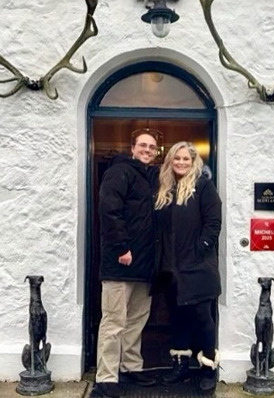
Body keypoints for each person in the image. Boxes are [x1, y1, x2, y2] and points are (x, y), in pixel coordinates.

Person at [91, 130, 159, 398]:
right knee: (114, 321)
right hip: (120, 262)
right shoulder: (119, 172)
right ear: (132, 148)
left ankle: (131, 367)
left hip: (144, 265)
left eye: (152, 147)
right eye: (143, 145)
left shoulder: (150, 177)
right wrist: (121, 247)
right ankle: (106, 377)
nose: (147, 150)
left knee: (136, 321)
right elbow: (109, 210)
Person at [154, 141, 222, 393]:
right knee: (178, 318)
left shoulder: (203, 186)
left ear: (194, 162)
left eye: (186, 159)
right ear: (170, 161)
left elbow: (213, 223)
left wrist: (199, 249)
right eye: (177, 158)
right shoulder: (165, 189)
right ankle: (180, 366)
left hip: (198, 268)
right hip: (171, 269)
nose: (181, 162)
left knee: (203, 319)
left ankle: (208, 368)